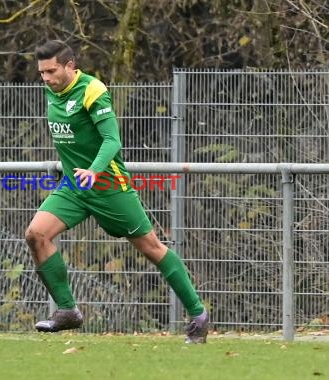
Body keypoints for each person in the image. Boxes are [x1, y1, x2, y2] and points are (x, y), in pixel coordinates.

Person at [24, 40, 209, 344]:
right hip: (73, 186)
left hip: (109, 186)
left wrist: (94, 170)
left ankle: (199, 315)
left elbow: (112, 140)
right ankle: (68, 311)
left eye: (51, 71)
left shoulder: (93, 90)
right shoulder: (51, 90)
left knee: (151, 247)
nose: (45, 78)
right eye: (41, 72)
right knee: (35, 234)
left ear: (70, 65)